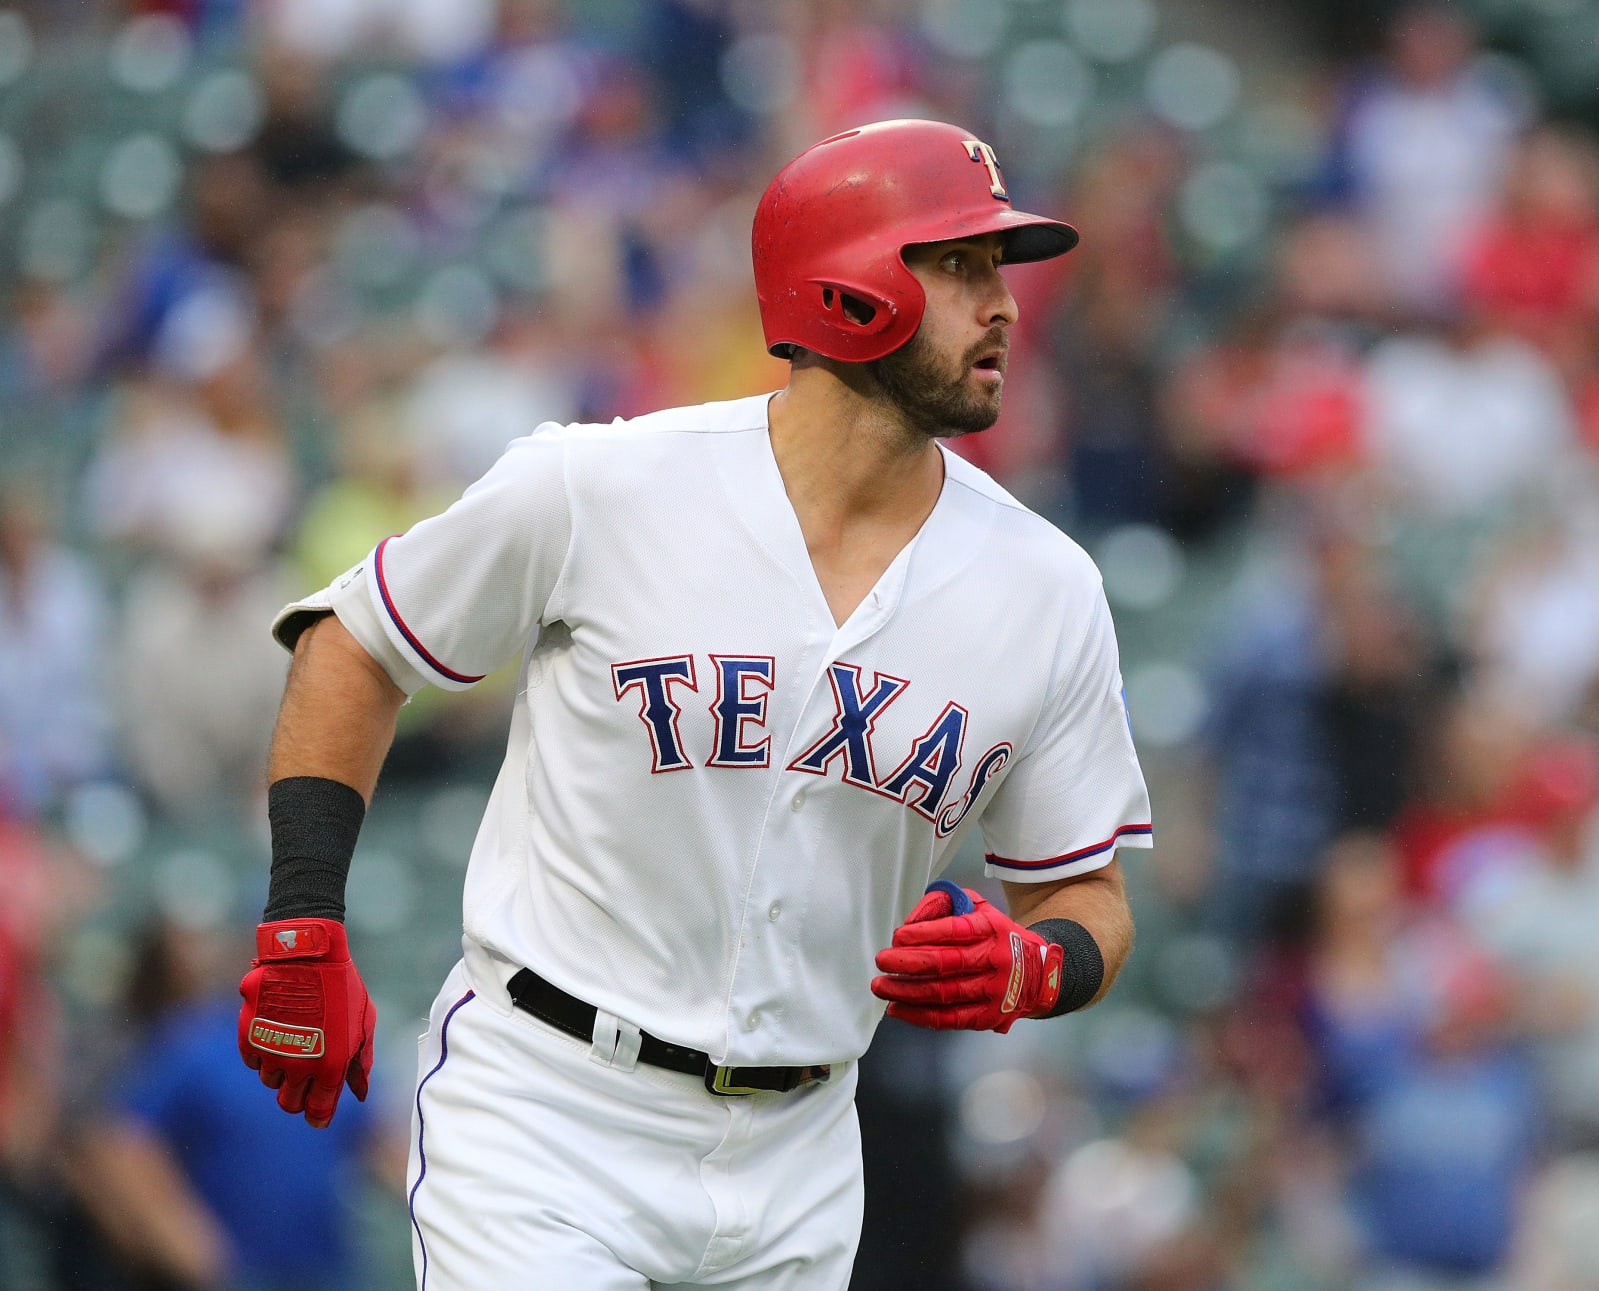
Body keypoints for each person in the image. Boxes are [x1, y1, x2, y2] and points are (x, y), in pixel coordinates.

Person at [234, 118, 1152, 1289]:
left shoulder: (1047, 588)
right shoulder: (602, 485)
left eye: (999, 267)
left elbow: (1090, 895)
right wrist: (304, 916)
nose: (1005, 304)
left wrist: (1042, 964)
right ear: (848, 286)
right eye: (960, 263)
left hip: (803, 1152)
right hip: (551, 1114)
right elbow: (352, 647)